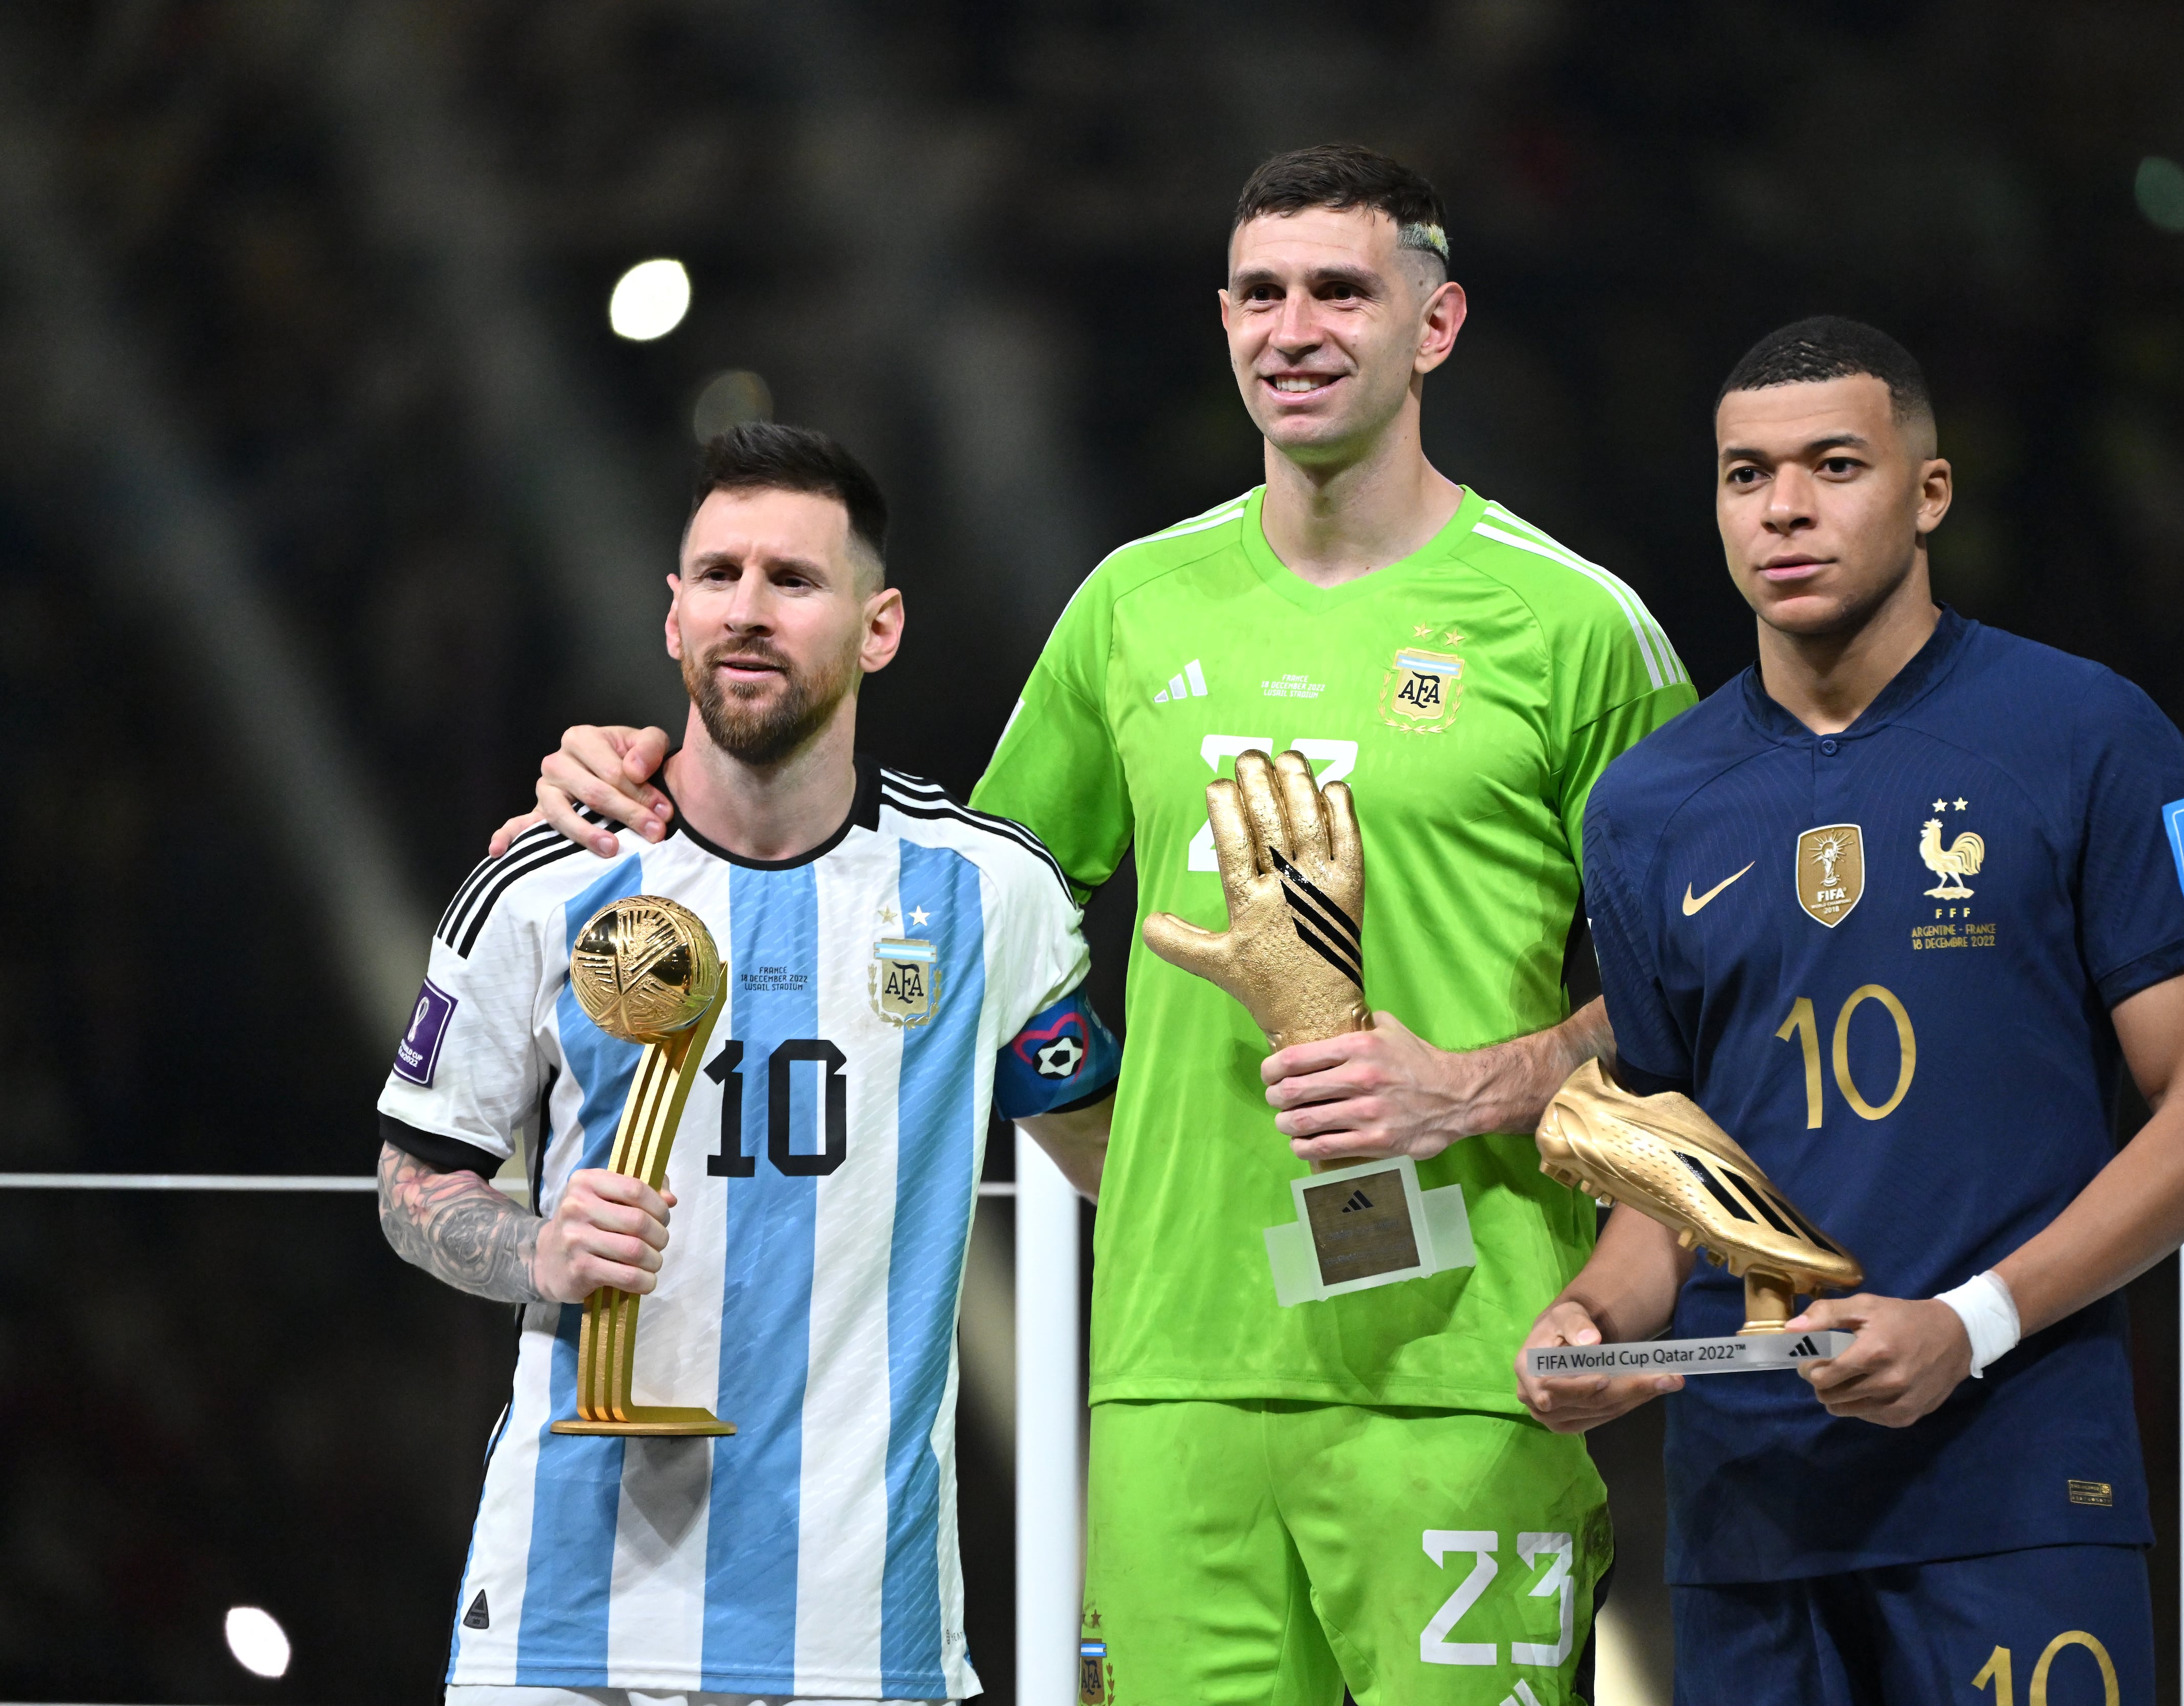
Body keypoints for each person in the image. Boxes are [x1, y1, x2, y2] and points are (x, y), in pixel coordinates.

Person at [506, 145, 1696, 1706]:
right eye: (1261, 292)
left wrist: (1480, 1095)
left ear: (1439, 322)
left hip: (1471, 1371)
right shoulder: (1134, 605)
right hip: (1168, 1380)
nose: (1297, 326)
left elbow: (1705, 990)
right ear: (1222, 321)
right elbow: (961, 916)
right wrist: (658, 772)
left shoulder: (1575, 626)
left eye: (1344, 288)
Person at [1515, 317, 2184, 1706]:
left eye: (1834, 464)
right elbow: (1672, 1169)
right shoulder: (1646, 806)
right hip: (1748, 1507)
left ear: (1930, 493)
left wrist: (1971, 1324)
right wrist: (1596, 1320)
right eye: (1747, 474)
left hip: (2015, 1479)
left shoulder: (2086, 734)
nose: (1784, 507)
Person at [377, 422, 1119, 1705]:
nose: (749, 610)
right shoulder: (546, 877)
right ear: (672, 616)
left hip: (857, 1629)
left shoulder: (987, 891)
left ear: (878, 626)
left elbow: (1119, 1156)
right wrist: (535, 1247)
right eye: (718, 575)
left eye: (795, 579)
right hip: (564, 1618)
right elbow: (414, 1182)